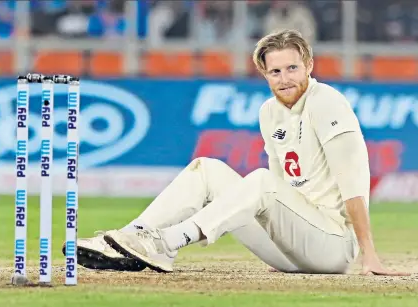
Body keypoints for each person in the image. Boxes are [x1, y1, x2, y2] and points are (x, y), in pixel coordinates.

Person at [65, 29, 409, 276]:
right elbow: (280, 184)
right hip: (290, 248)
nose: (284, 78)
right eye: (275, 71)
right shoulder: (268, 112)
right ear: (264, 74)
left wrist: (369, 255)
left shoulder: (327, 102)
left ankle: (166, 243)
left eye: (292, 68)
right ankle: (131, 237)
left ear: (309, 66)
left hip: (333, 246)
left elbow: (353, 182)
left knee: (259, 181)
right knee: (207, 168)